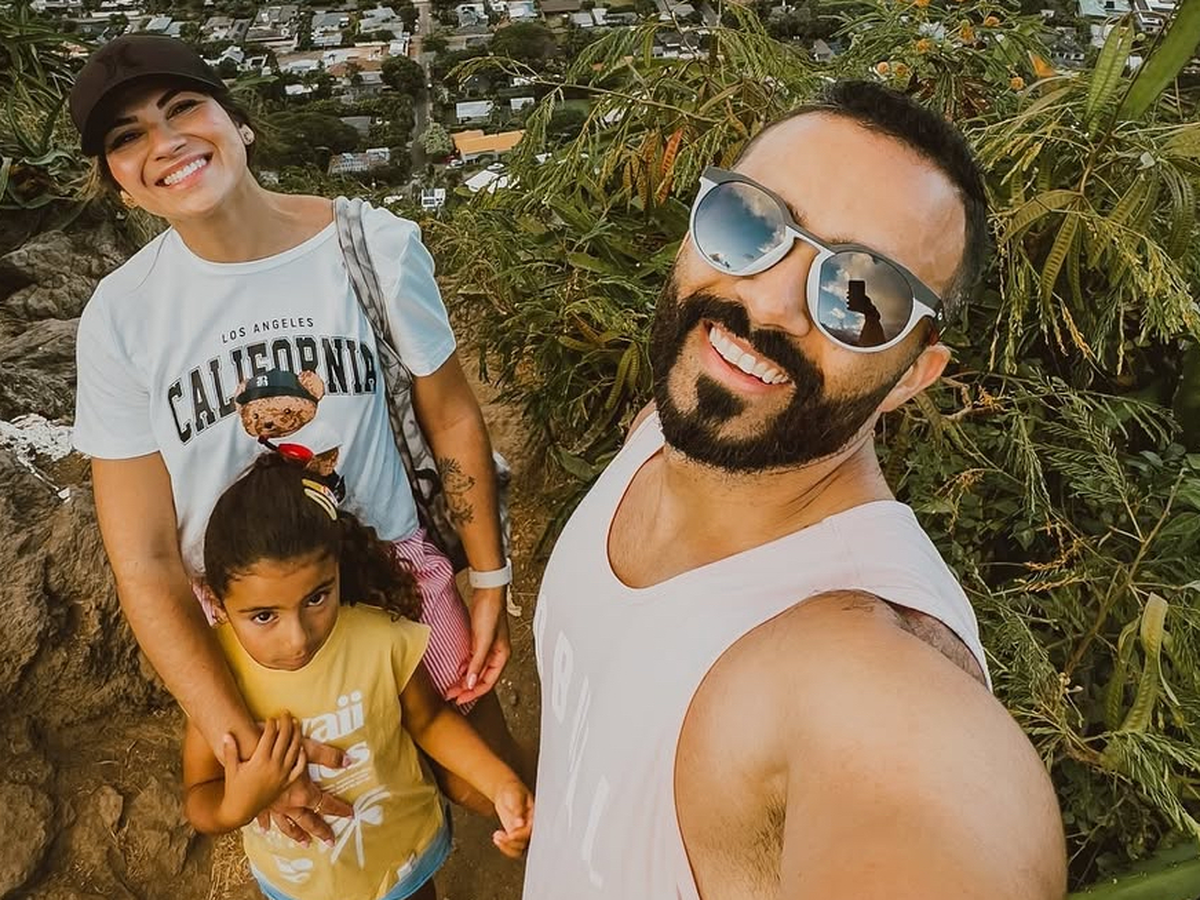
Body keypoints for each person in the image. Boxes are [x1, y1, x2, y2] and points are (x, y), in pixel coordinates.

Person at [523, 81, 1067, 899]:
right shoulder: (664, 432)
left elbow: (923, 800)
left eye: (861, 295)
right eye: (749, 223)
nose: (770, 305)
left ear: (912, 376)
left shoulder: (862, 659)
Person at [68, 33, 518, 841]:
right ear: (118, 185)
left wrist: (489, 577)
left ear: (238, 121)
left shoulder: (371, 247)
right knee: (349, 832)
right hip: (257, 619)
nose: (164, 143)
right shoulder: (122, 318)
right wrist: (239, 743)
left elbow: (450, 413)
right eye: (127, 137)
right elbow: (145, 556)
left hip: (398, 582)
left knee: (498, 789)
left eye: (183, 107)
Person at [182, 454, 533, 900]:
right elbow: (199, 793)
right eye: (264, 616)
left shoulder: (382, 639)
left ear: (337, 568)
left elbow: (430, 721)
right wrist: (235, 805)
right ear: (217, 602)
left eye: (316, 597)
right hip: (298, 881)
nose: (297, 638)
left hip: (401, 861)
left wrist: (500, 784)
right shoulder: (217, 675)